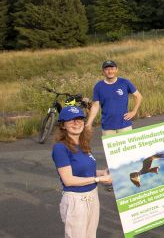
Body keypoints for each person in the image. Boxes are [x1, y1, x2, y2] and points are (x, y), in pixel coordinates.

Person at [52, 105, 113, 238]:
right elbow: (69, 180)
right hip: (76, 200)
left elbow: (85, 171)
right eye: (71, 120)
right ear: (63, 125)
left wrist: (102, 172)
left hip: (92, 196)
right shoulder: (60, 148)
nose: (77, 123)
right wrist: (98, 180)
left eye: (80, 119)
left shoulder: (83, 144)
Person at [88, 60, 142, 191]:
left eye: (112, 68)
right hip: (108, 126)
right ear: (103, 71)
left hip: (124, 125)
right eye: (107, 69)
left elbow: (138, 96)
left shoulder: (124, 82)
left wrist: (134, 111)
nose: (110, 71)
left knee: (128, 154)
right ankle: (113, 180)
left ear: (116, 69)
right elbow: (95, 106)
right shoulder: (99, 86)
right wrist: (89, 122)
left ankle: (131, 180)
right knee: (112, 156)